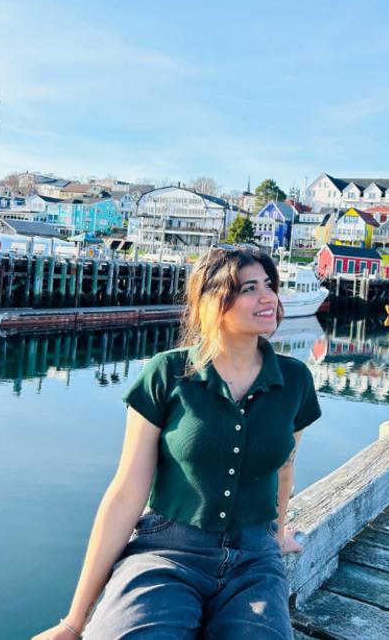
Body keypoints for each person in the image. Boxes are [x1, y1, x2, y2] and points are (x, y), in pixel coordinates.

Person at [34, 244, 322, 640]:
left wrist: (275, 536)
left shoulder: (296, 381)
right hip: (166, 551)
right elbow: (126, 492)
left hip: (254, 561)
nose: (268, 297)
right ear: (213, 301)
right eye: (249, 288)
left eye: (269, 285)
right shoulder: (166, 374)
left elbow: (284, 471)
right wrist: (73, 621)